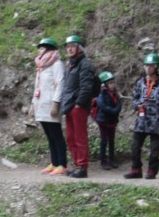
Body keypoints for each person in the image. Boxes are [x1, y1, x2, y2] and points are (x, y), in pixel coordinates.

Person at [123, 52, 159, 180]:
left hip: (156, 120)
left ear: (156, 67)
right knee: (135, 146)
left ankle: (152, 170)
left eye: (151, 66)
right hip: (141, 119)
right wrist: (137, 105)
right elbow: (134, 98)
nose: (148, 68)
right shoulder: (140, 82)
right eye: (146, 66)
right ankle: (136, 169)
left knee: (154, 148)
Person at [58, 34, 97, 179]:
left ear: (79, 49)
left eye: (73, 46)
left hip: (78, 107)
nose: (69, 49)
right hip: (69, 106)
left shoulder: (85, 65)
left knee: (80, 137)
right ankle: (76, 165)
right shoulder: (70, 65)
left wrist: (79, 104)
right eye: (68, 46)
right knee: (70, 137)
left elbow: (86, 87)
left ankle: (82, 167)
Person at [31, 37, 67, 175]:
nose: (39, 51)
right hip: (42, 104)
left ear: (48, 49)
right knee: (49, 135)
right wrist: (33, 103)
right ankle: (54, 162)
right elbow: (37, 85)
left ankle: (62, 164)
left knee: (56, 134)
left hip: (51, 104)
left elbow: (60, 83)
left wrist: (56, 103)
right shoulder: (41, 66)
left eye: (41, 48)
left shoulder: (56, 64)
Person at [94, 71, 121, 170]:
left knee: (111, 141)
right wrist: (114, 111)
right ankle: (103, 161)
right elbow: (102, 106)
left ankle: (112, 159)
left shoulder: (115, 94)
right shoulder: (101, 95)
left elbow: (118, 103)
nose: (112, 85)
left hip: (112, 121)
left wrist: (117, 109)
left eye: (113, 82)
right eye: (110, 83)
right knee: (104, 140)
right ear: (104, 85)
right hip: (104, 121)